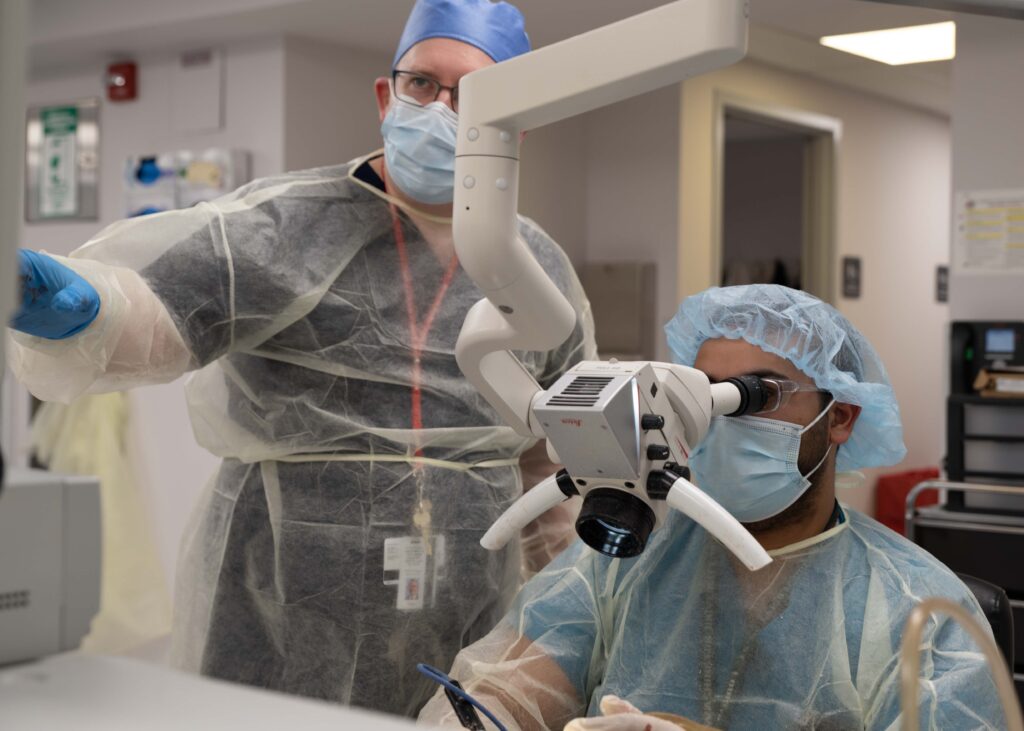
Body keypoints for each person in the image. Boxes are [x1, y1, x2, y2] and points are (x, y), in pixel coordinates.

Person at [7, 0, 595, 717]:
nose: (443, 111)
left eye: (472, 95)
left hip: (469, 606)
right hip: (276, 604)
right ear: (387, 96)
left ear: (517, 121)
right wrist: (80, 303)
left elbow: (554, 457)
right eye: (422, 85)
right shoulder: (292, 225)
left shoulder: (534, 267)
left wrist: (560, 606)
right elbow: (157, 317)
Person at [418, 284, 1005, 730]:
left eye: (758, 396)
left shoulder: (919, 610)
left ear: (841, 417)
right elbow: (507, 686)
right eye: (705, 398)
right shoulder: (627, 558)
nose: (724, 421)